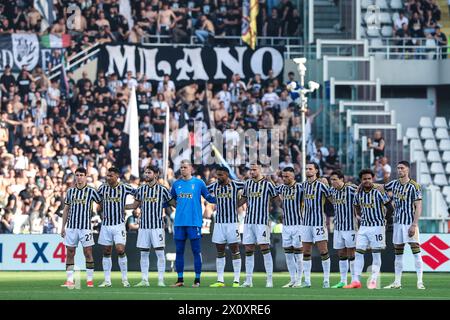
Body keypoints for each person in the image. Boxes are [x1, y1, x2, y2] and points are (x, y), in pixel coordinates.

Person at [344, 169, 394, 289]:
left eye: (369, 179)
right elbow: (356, 206)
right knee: (359, 253)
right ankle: (356, 281)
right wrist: (361, 216)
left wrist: (384, 221)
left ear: (373, 179)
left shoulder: (379, 192)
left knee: (376, 254)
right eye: (364, 179)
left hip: (377, 226)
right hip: (364, 227)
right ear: (361, 180)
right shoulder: (358, 194)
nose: (367, 181)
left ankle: (373, 280)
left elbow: (390, 208)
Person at [169, 160, 216, 287]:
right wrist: (176, 205)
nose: (182, 169)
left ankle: (197, 280)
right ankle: (180, 280)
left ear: (191, 169)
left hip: (194, 222)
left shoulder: (199, 183)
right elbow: (170, 199)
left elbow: (209, 198)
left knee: (196, 251)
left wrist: (221, 197)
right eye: (181, 167)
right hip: (179, 222)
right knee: (179, 251)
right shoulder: (176, 184)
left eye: (185, 167)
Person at [126, 165, 174, 287]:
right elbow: (134, 205)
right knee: (144, 253)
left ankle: (161, 280)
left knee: (159, 253)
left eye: (149, 172)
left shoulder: (162, 189)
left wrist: (187, 205)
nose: (146, 174)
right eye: (145, 172)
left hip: (157, 226)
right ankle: (144, 280)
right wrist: (119, 206)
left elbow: (173, 203)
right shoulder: (141, 189)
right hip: (143, 226)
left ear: (156, 174)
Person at [383, 161, 425, 290]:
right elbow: (381, 187)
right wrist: (366, 184)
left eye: (402, 168)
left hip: (409, 223)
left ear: (407, 170)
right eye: (398, 168)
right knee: (398, 253)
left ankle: (420, 282)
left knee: (416, 252)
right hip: (397, 223)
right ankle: (397, 282)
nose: (399, 170)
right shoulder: (394, 184)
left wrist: (414, 224)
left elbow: (418, 207)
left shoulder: (414, 186)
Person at [238, 162, 280, 288]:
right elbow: (244, 199)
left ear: (260, 170)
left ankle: (269, 280)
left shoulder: (267, 184)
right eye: (250, 170)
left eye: (254, 170)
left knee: (264, 248)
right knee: (248, 249)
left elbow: (276, 199)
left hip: (262, 221)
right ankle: (248, 280)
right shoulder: (248, 184)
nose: (252, 172)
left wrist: (274, 213)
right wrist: (233, 205)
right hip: (249, 221)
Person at [60, 167, 101, 288]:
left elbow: (101, 203)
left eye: (81, 175)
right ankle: (69, 280)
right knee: (70, 252)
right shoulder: (70, 192)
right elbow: (66, 210)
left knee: (88, 252)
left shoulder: (91, 191)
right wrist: (63, 227)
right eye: (77, 175)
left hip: (85, 227)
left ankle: (89, 281)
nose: (79, 177)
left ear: (86, 176)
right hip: (72, 227)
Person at [97, 167, 136, 288]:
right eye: (107, 176)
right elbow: (98, 199)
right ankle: (107, 281)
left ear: (117, 176)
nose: (108, 178)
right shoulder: (103, 187)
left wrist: (131, 206)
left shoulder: (124, 187)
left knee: (120, 249)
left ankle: (125, 280)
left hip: (119, 225)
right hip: (106, 225)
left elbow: (139, 194)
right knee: (106, 251)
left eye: (110, 176)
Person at [207, 166, 244, 288]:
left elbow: (249, 189)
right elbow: (204, 191)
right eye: (218, 175)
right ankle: (220, 280)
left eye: (221, 175)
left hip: (232, 223)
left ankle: (236, 280)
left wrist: (240, 202)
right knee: (220, 250)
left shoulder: (236, 185)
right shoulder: (214, 185)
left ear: (227, 174)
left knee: (235, 249)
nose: (219, 177)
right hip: (219, 223)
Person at [300, 162, 332, 288]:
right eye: (306, 168)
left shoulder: (321, 185)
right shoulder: (303, 186)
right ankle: (307, 280)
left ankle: (326, 280)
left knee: (323, 251)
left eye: (310, 169)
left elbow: (332, 199)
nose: (308, 170)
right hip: (306, 223)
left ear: (316, 171)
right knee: (306, 251)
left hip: (319, 223)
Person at [328, 170, 358, 288]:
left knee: (351, 252)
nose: (333, 182)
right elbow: (328, 197)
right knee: (341, 253)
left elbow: (362, 190)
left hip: (350, 226)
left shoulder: (350, 189)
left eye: (335, 179)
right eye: (331, 180)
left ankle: (355, 280)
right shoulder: (332, 191)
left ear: (342, 179)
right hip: (338, 227)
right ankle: (343, 281)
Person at [276, 167, 303, 288]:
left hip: (298, 224)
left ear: (293, 176)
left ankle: (299, 279)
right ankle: (292, 279)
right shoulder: (281, 188)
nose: (284, 179)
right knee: (288, 253)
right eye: (283, 176)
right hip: (286, 225)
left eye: (287, 176)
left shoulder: (301, 187)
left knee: (298, 253)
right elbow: (271, 191)